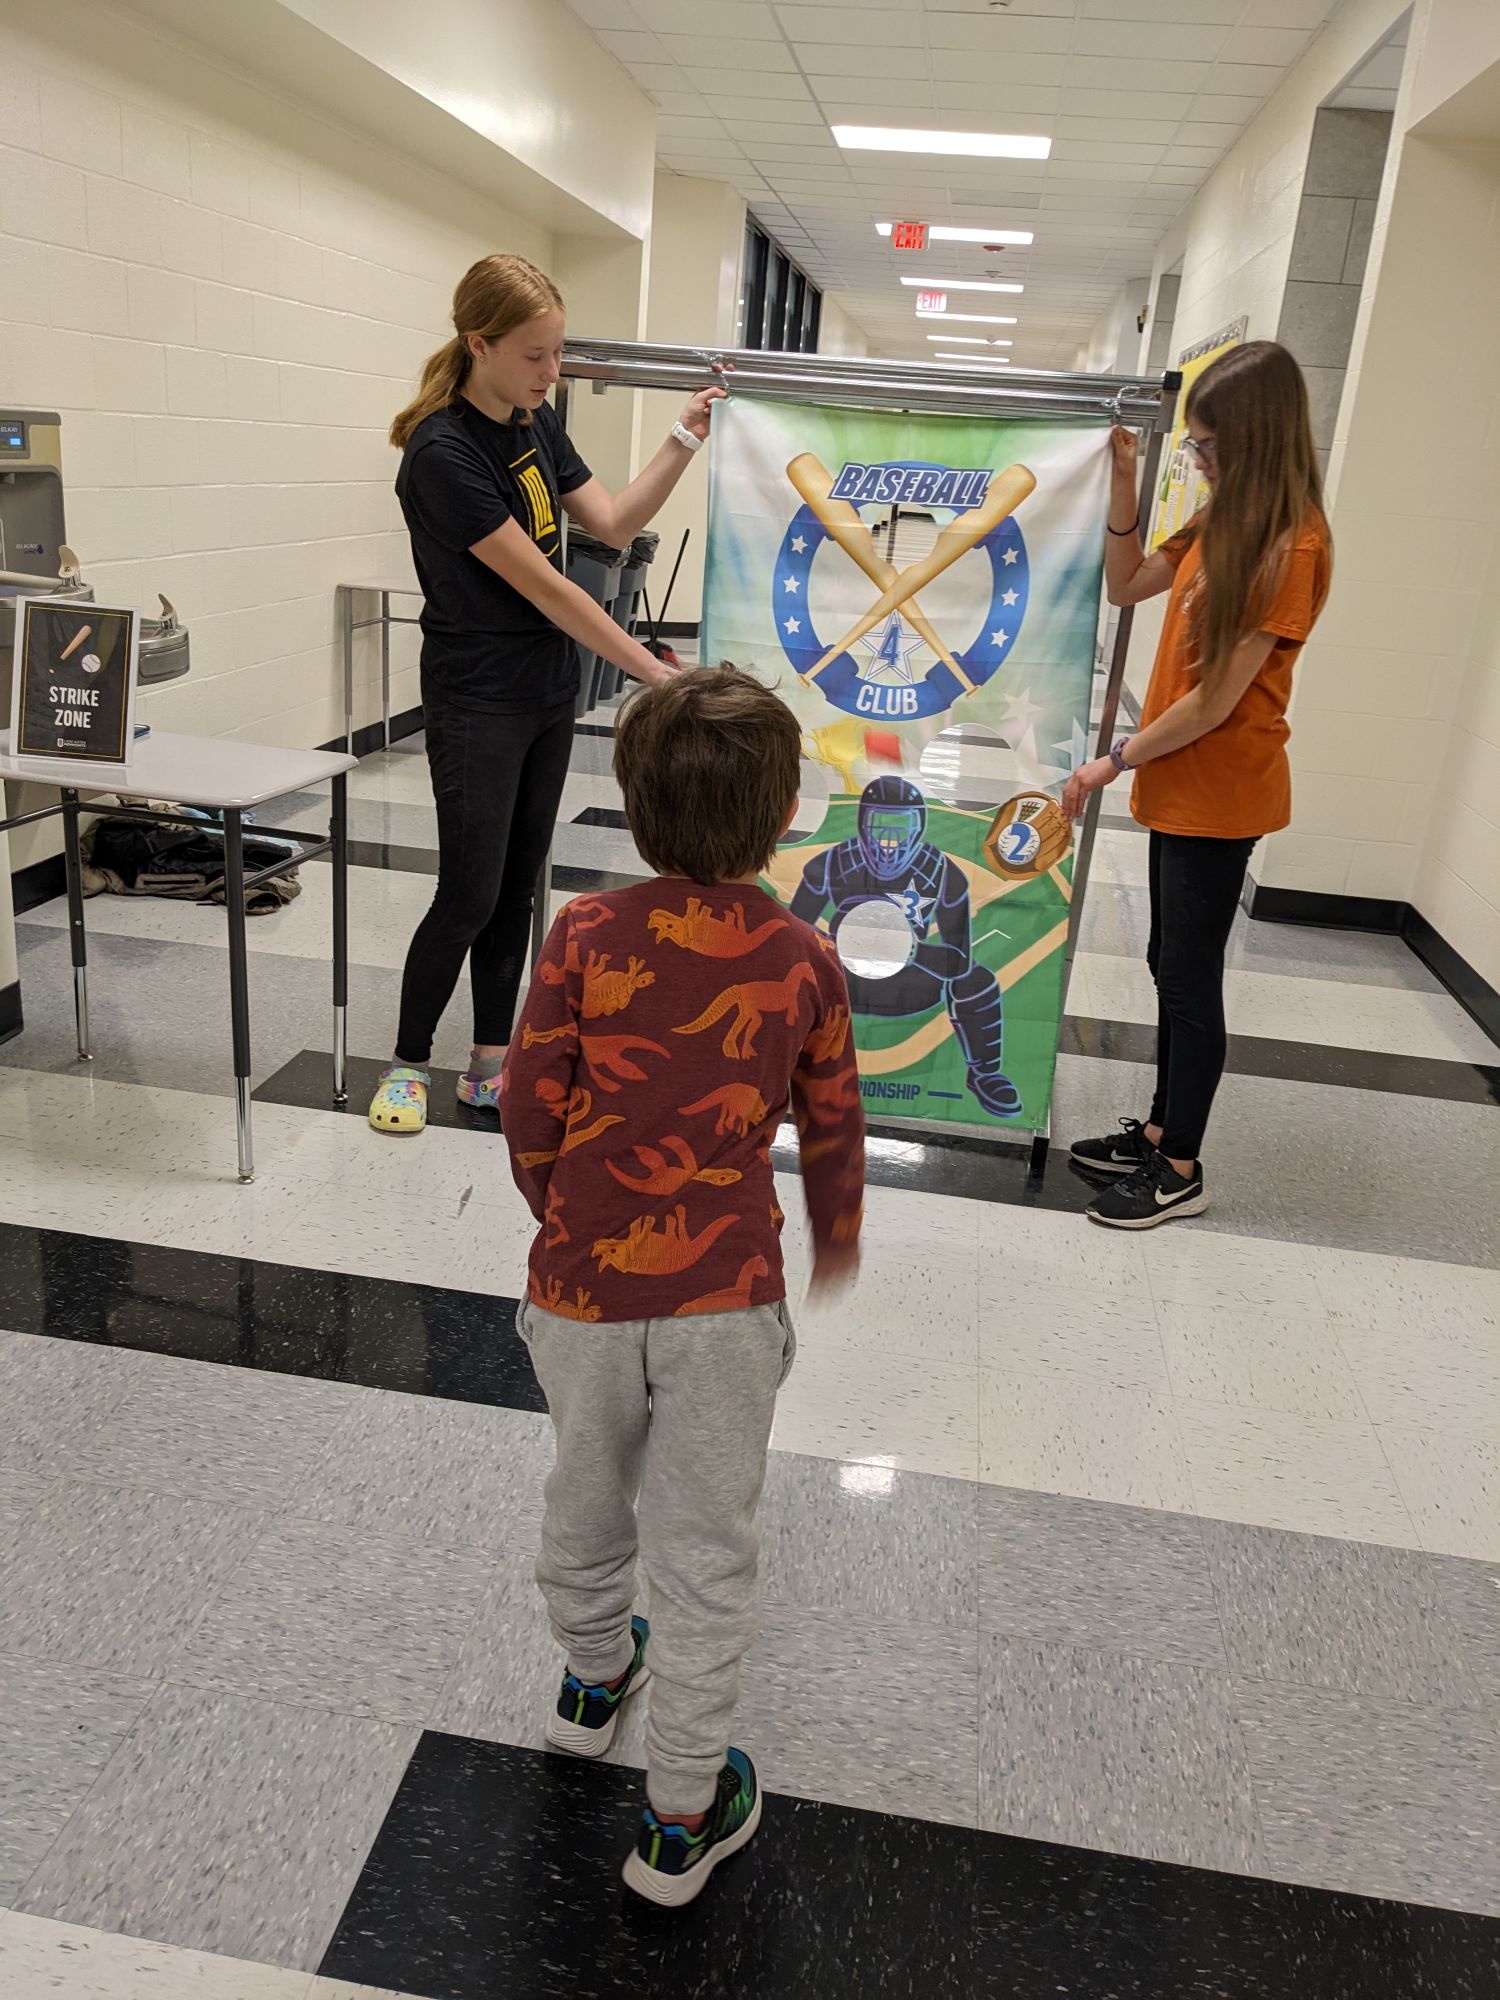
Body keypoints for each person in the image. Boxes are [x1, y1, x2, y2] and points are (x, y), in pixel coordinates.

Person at [501, 667, 865, 1906]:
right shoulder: (807, 956)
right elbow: (831, 1125)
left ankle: (593, 1676)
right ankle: (680, 1813)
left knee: (583, 1484)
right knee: (708, 1546)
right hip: (722, 1298)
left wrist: (560, 1214)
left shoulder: (583, 934)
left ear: (634, 804)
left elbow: (527, 1097)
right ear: (780, 819)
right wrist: (836, 1232)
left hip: (580, 1293)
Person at [369, 253, 726, 1136]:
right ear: (477, 344)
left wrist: (683, 437)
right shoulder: (442, 454)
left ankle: (490, 1061)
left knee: (521, 882)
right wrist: (648, 670)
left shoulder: (534, 420)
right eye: (535, 355)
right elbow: (552, 589)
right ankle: (409, 1061)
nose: (551, 372)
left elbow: (610, 524)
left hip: (543, 691)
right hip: (476, 696)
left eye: (558, 353)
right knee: (469, 889)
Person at [1062, 340, 1332, 1228]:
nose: (1202, 461)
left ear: (1257, 438)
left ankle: (1180, 1166)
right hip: (1178, 784)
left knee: (1186, 974)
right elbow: (1126, 583)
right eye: (1196, 447)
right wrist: (1125, 482)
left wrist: (1114, 759)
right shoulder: (1222, 519)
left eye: (1210, 447)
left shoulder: (1295, 544)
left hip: (1222, 789)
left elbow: (1216, 704)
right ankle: (1157, 1128)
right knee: (1164, 961)